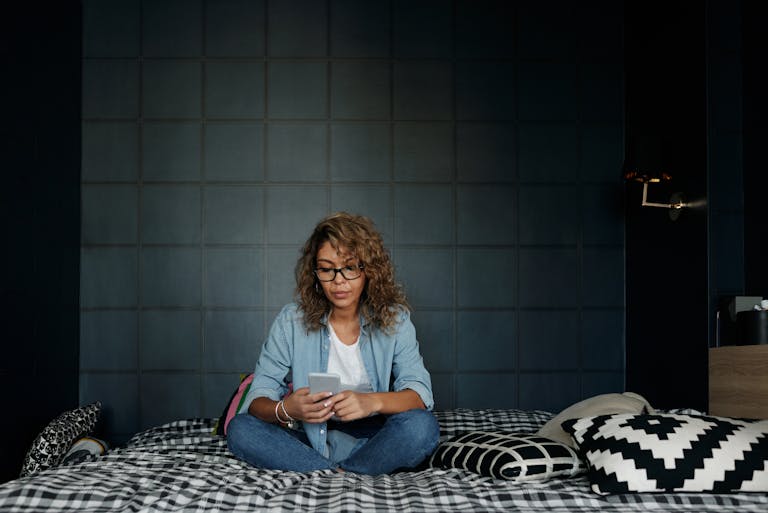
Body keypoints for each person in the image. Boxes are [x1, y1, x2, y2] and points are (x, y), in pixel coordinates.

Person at [227, 212, 439, 474]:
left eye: (350, 268)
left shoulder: (395, 320)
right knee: (240, 429)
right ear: (315, 273)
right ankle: (340, 473)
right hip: (309, 437)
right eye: (327, 269)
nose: (339, 280)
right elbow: (259, 396)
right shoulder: (291, 320)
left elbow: (419, 396)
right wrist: (286, 409)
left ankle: (332, 472)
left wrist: (371, 402)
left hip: (374, 440)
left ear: (368, 270)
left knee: (422, 426)